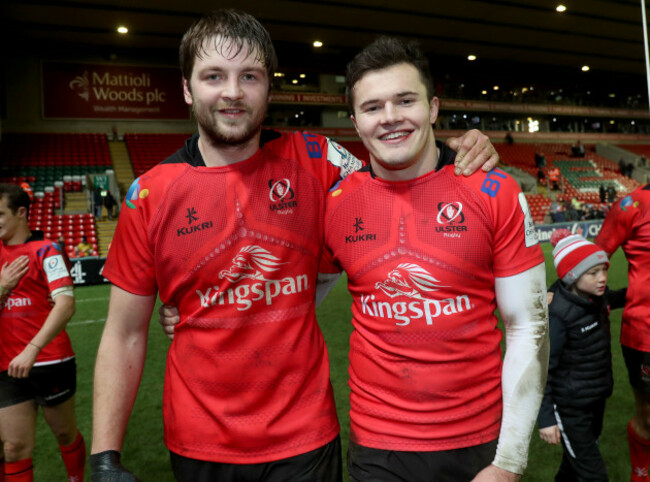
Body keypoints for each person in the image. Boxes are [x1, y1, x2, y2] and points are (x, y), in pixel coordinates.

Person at [90, 10, 500, 481]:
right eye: (213, 76)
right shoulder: (150, 194)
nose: (232, 92)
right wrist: (105, 457)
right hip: (200, 442)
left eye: (250, 76)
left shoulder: (316, 159)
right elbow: (124, 333)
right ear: (187, 88)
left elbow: (400, 165)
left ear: (268, 88)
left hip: (305, 440)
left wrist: (458, 150)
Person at [320, 35, 549, 482]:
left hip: (478, 442)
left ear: (434, 108)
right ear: (355, 121)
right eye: (372, 107)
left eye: (405, 100)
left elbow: (529, 324)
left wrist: (509, 461)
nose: (390, 118)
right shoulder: (336, 203)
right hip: (378, 448)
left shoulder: (494, 190)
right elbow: (294, 296)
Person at [0, 183, 85, 482]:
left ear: (21, 212)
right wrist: (2, 287)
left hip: (50, 361)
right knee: (13, 447)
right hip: (6, 366)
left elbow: (65, 305)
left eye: (0, 214)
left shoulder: (47, 250)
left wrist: (32, 348)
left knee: (64, 433)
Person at [538, 230, 625, 481]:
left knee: (573, 464)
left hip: (596, 400)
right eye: (593, 272)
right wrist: (546, 419)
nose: (602, 278)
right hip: (571, 408)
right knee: (593, 475)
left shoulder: (597, 298)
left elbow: (619, 297)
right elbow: (543, 368)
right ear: (572, 276)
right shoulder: (559, 314)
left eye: (603, 270)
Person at [595, 185, 650, 481]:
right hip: (645, 334)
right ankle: (640, 473)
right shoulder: (633, 205)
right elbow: (596, 256)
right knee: (649, 417)